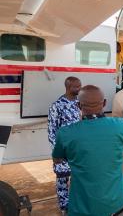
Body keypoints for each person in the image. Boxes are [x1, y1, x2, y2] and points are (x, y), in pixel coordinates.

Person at [52, 85, 123, 216]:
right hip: (117, 203)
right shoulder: (121, 125)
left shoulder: (65, 133)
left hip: (83, 206)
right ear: (104, 103)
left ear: (78, 105)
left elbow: (57, 159)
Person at [47, 76, 81, 214]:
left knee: (78, 177)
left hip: (79, 149)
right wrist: (56, 152)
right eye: (76, 86)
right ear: (68, 87)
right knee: (62, 178)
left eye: (80, 86)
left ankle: (77, 203)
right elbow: (51, 130)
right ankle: (64, 206)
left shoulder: (81, 103)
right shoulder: (57, 105)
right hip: (63, 150)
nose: (79, 88)